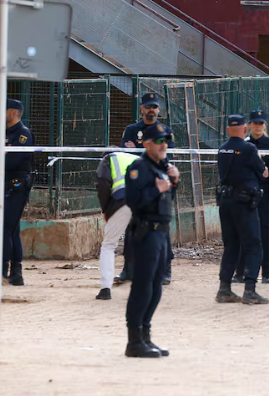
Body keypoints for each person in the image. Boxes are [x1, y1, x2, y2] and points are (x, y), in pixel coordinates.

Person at [124, 123, 178, 358]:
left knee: (156, 287)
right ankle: (134, 341)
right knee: (142, 287)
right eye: (158, 141)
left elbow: (166, 198)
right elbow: (134, 202)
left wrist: (172, 182)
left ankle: (146, 335)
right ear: (146, 144)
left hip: (162, 232)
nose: (163, 144)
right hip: (145, 232)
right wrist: (157, 189)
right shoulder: (139, 168)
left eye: (165, 140)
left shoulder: (161, 168)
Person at [118, 93, 174, 286]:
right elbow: (125, 152)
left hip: (159, 183)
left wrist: (138, 149)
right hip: (138, 182)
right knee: (132, 227)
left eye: (155, 107)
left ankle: (165, 270)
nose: (152, 110)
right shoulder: (131, 129)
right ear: (141, 109)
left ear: (159, 109)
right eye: (148, 106)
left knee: (162, 229)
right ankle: (128, 269)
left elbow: (166, 156)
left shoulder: (165, 130)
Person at [215, 115, 269, 306]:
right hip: (244, 202)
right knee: (253, 244)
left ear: (228, 129)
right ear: (245, 129)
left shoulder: (222, 149)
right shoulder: (249, 149)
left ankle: (224, 289)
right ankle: (250, 290)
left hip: (225, 202)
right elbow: (263, 172)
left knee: (231, 245)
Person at [232, 110, 269, 284]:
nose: (258, 127)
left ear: (265, 125)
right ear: (250, 125)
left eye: (260, 124)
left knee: (263, 233)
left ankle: (266, 273)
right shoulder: (244, 144)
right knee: (242, 232)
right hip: (246, 194)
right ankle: (240, 272)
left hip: (265, 193)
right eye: (255, 123)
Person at [94, 151, 138, 300]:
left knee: (109, 245)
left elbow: (103, 184)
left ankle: (105, 288)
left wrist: (106, 209)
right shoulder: (137, 158)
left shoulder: (108, 159)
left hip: (124, 200)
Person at [3, 99, 34, 286]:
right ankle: (16, 273)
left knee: (6, 227)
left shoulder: (23, 134)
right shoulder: (3, 132)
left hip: (17, 186)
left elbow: (12, 161)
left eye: (4, 110)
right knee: (12, 229)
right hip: (4, 184)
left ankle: (3, 270)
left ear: (13, 113)